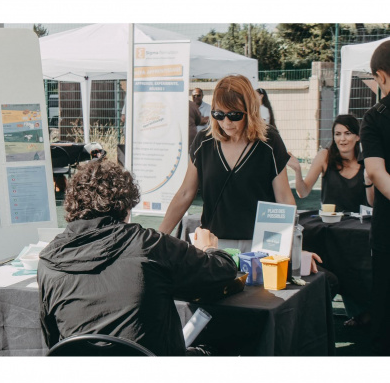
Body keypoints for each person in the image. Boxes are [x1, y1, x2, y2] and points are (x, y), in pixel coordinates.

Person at [38, 159, 238, 356]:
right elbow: (223, 272)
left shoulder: (49, 260)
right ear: (126, 206)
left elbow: (52, 339)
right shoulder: (148, 244)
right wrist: (209, 248)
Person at [159, 74, 295, 252]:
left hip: (260, 245)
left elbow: (284, 198)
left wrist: (293, 246)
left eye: (234, 115)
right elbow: (185, 193)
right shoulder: (204, 142)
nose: (226, 122)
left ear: (250, 111)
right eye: (218, 114)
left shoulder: (269, 142)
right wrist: (158, 238)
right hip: (213, 244)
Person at [360, 39, 390, 355]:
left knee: (384, 305)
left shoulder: (375, 116)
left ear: (380, 76)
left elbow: (377, 174)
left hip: (387, 229)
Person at [287, 114, 374, 213]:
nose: (342, 139)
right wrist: (297, 170)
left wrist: (368, 181)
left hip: (358, 221)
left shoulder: (367, 160)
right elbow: (303, 193)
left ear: (357, 136)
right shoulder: (324, 156)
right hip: (330, 220)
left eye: (347, 133)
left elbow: (372, 203)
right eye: (338, 134)